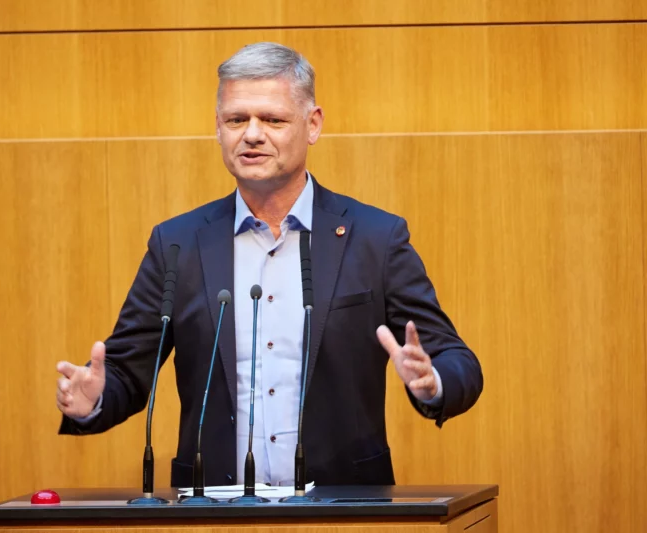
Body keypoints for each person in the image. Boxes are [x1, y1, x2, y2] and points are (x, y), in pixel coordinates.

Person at [55, 42, 483, 488]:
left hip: (345, 508)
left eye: (273, 120)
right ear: (218, 129)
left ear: (312, 124)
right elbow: (126, 369)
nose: (252, 134)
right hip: (212, 510)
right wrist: (95, 397)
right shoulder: (177, 244)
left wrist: (433, 380)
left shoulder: (374, 238)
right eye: (236, 119)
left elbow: (457, 360)